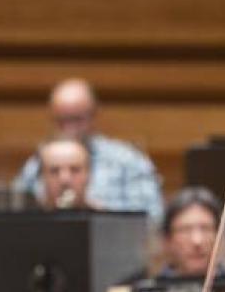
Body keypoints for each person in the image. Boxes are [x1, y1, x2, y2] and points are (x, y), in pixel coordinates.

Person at [13, 79, 163, 223]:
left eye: (77, 119)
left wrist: (94, 212)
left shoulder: (128, 161)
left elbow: (152, 223)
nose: (69, 128)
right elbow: (15, 217)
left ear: (94, 116)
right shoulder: (37, 163)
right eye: (61, 120)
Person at [159, 187, 222, 278]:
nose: (197, 241)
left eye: (205, 229)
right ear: (167, 240)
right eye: (185, 230)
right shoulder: (148, 291)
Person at [36, 135, 92, 210]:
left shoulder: (106, 220)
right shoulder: (23, 220)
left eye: (74, 170)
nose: (64, 180)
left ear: (88, 174)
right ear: (42, 176)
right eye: (54, 171)